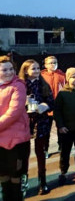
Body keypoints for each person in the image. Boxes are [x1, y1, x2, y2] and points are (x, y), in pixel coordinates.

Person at [19, 60, 54, 195]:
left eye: (38, 68)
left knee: (41, 152)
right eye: (33, 68)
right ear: (26, 70)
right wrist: (25, 104)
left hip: (41, 121)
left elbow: (51, 101)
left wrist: (43, 107)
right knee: (24, 154)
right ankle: (24, 181)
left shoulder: (43, 83)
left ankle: (42, 181)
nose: (37, 71)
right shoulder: (21, 84)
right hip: (25, 122)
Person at [0, 56, 31, 201]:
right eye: (4, 69)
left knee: (15, 177)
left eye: (11, 69)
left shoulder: (18, 85)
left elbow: (14, 112)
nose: (8, 72)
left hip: (16, 140)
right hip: (1, 140)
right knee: (3, 176)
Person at [41, 55, 66, 156]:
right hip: (46, 107)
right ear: (46, 65)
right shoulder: (41, 76)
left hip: (60, 106)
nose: (53, 64)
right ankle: (45, 149)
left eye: (55, 62)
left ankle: (61, 146)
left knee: (61, 128)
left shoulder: (62, 75)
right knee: (46, 130)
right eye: (51, 63)